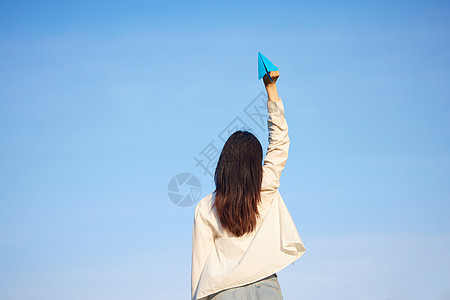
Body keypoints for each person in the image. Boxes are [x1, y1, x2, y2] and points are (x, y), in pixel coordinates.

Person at [191, 69, 306, 300]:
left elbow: (200, 264)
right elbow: (280, 142)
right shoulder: (265, 188)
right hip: (265, 287)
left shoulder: (206, 207)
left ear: (224, 164)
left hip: (221, 289)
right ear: (255, 165)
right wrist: (271, 89)